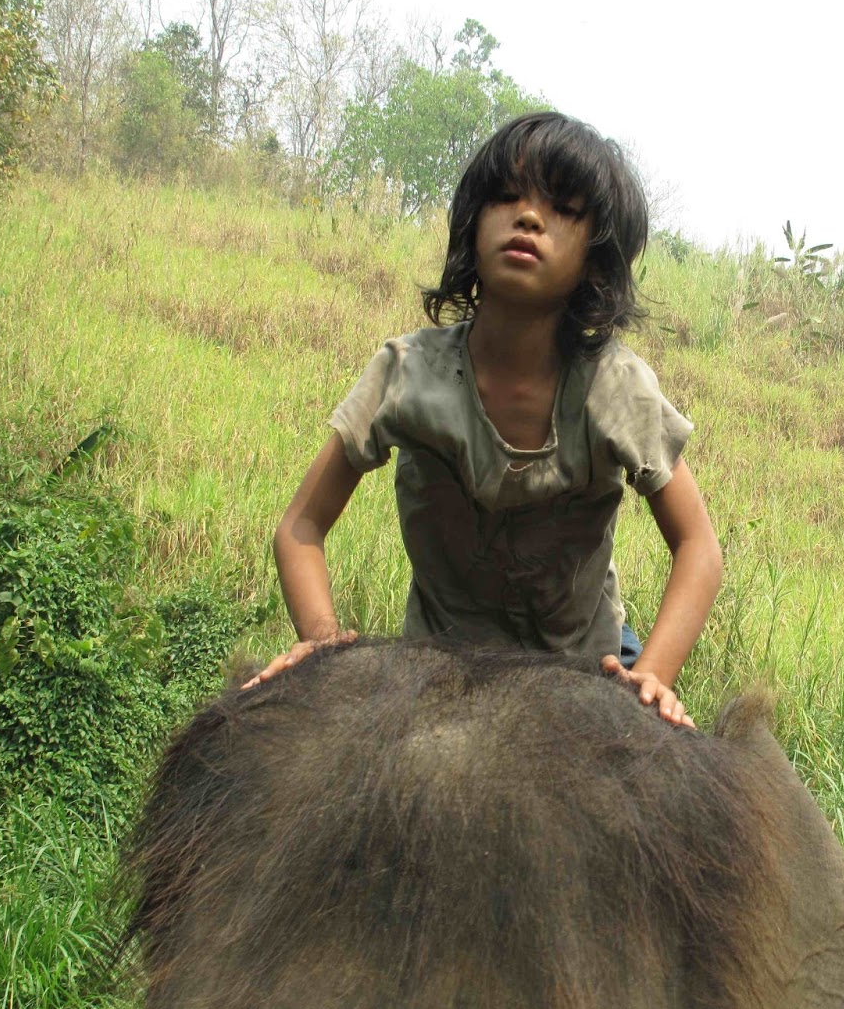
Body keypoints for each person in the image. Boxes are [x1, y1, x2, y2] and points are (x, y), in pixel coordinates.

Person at [244, 112, 722, 726]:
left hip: (586, 668)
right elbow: (301, 526)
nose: (529, 217)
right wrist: (320, 643)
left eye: (564, 209)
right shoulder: (406, 373)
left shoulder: (614, 387)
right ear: (472, 225)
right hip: (435, 669)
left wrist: (651, 676)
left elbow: (698, 546)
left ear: (595, 261)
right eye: (507, 196)